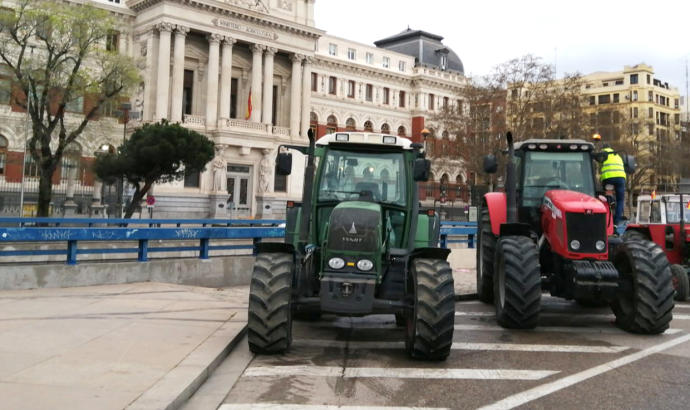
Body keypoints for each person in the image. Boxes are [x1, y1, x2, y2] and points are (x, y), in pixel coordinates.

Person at [598, 142, 627, 225]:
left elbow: (600, 166)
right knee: (620, 200)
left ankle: (610, 202)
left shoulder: (603, 154)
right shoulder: (617, 155)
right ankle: (616, 222)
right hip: (620, 179)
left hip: (609, 178)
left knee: (608, 195)